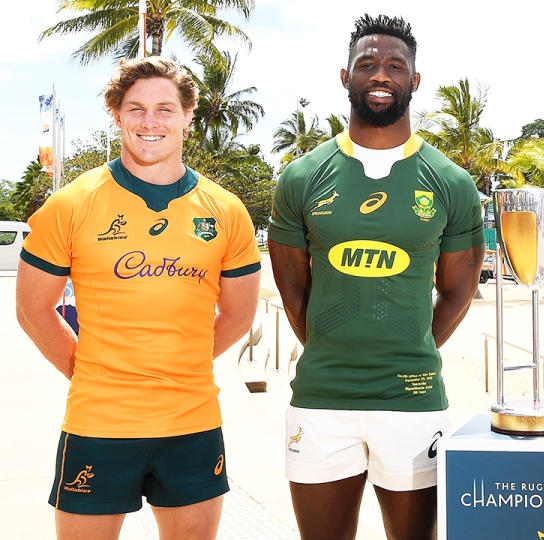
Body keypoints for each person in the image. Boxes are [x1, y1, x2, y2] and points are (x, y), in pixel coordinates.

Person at [16, 57, 262, 540]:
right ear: (117, 115)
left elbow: (238, 313)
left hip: (191, 423)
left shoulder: (226, 211)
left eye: (165, 109)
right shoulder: (71, 203)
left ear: (188, 116)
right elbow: (32, 309)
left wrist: (181, 362)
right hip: (98, 421)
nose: (151, 122)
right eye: (137, 109)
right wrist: (85, 367)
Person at [268, 13, 484, 540]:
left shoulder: (451, 182)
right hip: (321, 399)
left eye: (394, 65)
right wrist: (329, 344)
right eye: (366, 64)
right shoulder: (301, 177)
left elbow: (459, 289)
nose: (380, 74)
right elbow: (292, 286)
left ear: (415, 80)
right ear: (345, 77)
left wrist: (411, 346)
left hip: (412, 401)